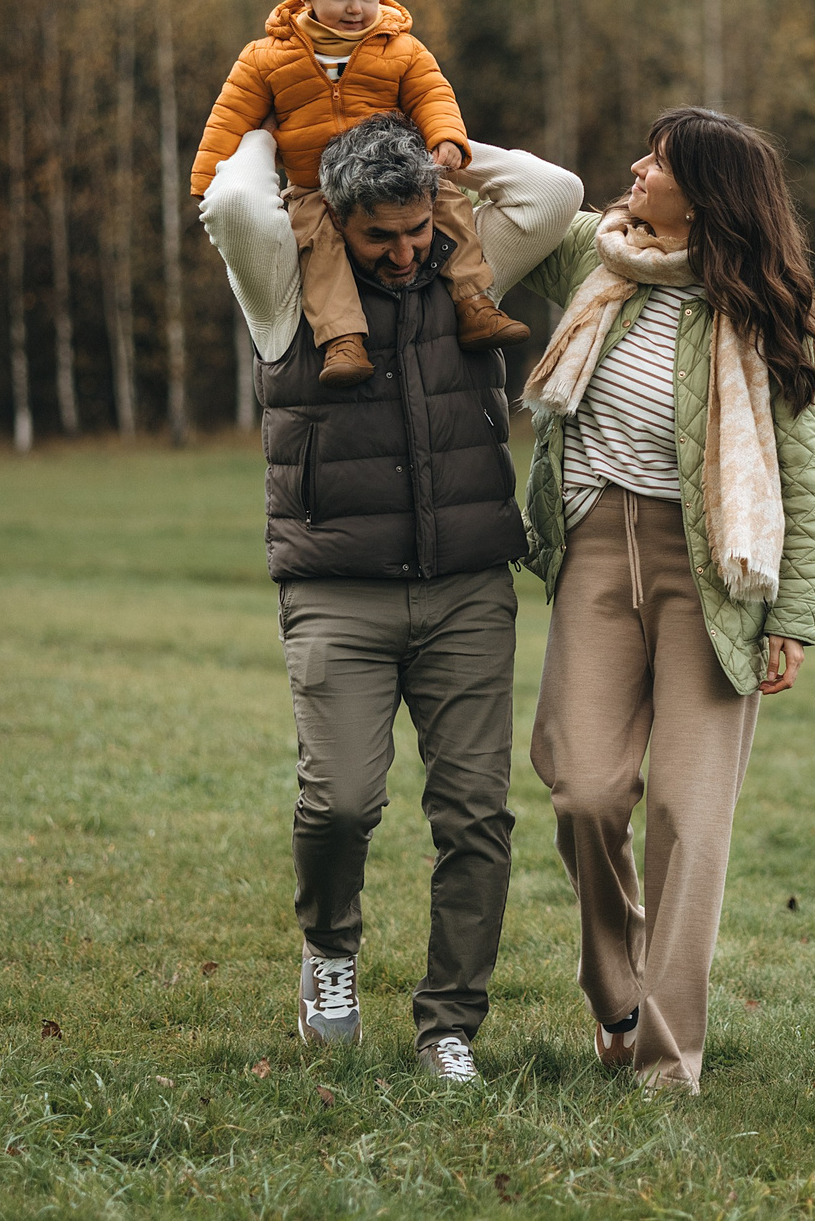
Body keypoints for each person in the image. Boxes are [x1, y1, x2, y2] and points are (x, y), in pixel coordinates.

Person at [197, 110, 581, 1084]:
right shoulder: (284, 280)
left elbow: (556, 193)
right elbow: (234, 197)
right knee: (338, 804)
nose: (408, 252)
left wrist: (438, 143)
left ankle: (448, 1025)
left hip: (463, 586)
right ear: (334, 217)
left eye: (418, 227)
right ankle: (329, 953)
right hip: (337, 591)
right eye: (382, 237)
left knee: (474, 817)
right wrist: (273, 116)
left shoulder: (464, 257)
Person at [511, 106, 815, 1094]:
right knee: (584, 792)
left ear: (708, 195)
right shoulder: (589, 256)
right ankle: (614, 989)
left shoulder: (764, 311)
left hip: (714, 578)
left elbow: (804, 469)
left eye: (660, 162)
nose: (637, 170)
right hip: (598, 557)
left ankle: (666, 1062)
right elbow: (526, 192)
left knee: (690, 821)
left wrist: (794, 616)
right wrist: (419, 115)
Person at [189, 0, 530, 390]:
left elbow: (433, 95)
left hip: (399, 182)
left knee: (451, 205)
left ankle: (475, 303)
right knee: (318, 243)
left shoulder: (402, 48)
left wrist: (447, 137)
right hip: (314, 187)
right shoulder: (268, 57)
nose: (356, 7)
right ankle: (343, 339)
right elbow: (230, 120)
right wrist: (209, 181)